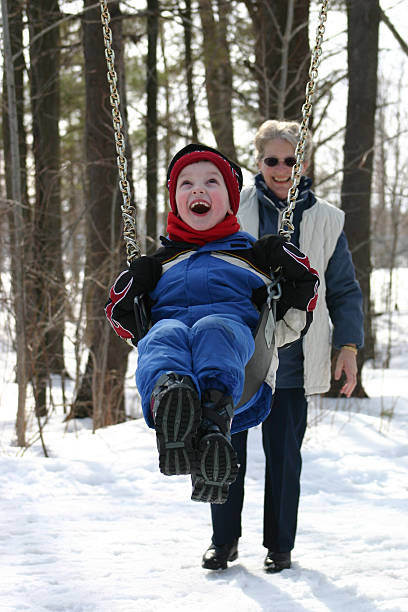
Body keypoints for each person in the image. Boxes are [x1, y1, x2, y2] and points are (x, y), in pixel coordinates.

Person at [105, 143, 319, 506]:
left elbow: (294, 317)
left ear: (232, 199)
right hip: (172, 342)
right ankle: (174, 404)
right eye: (186, 184)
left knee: (213, 327)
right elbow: (124, 321)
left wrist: (288, 261)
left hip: (242, 374)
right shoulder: (159, 264)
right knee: (163, 334)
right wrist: (133, 282)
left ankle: (214, 416)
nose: (198, 189)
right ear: (175, 199)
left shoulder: (253, 257)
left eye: (211, 182)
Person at [202, 121, 364, 572]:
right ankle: (224, 540)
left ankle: (280, 545)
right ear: (259, 162)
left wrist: (348, 346)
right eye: (271, 160)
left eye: (289, 160)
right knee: (226, 447)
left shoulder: (328, 220)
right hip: (241, 353)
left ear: (304, 163)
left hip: (295, 357)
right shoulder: (234, 210)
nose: (280, 169)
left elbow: (345, 290)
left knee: (284, 457)